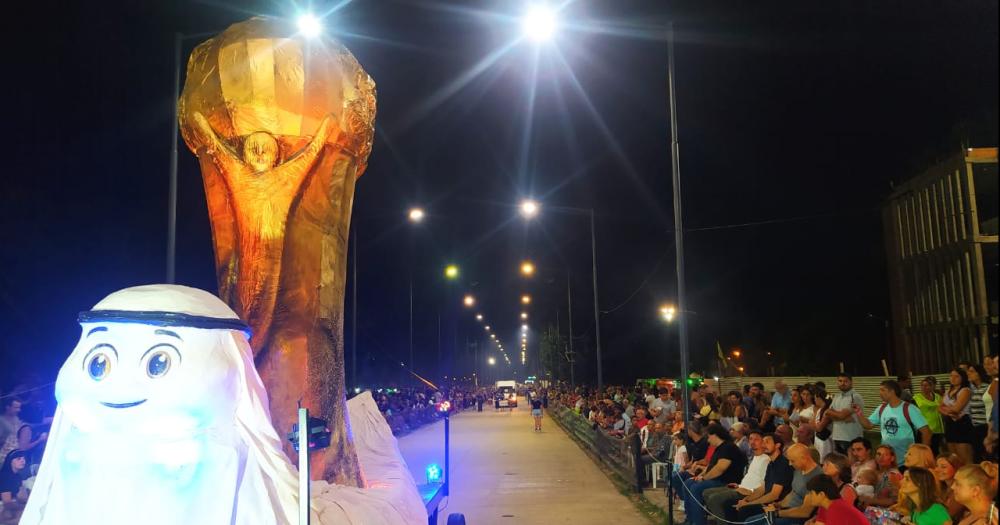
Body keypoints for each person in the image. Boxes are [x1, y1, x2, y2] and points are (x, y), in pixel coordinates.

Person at [680, 423, 747, 525]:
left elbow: (720, 469)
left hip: (726, 481)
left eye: (708, 437)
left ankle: (698, 522)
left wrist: (703, 478)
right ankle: (690, 519)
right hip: (717, 479)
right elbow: (710, 467)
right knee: (688, 484)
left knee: (695, 488)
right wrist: (700, 476)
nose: (708, 440)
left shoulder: (729, 447)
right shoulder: (719, 448)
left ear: (715, 435)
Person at [855, 379, 931, 465]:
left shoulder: (909, 409)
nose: (880, 393)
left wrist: (922, 454)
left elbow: (926, 432)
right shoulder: (882, 408)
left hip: (906, 460)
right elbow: (868, 425)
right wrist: (859, 413)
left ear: (892, 391)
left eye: (883, 390)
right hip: (886, 461)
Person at [747, 443, 822, 525]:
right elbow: (793, 493)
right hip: (786, 511)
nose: (790, 464)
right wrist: (778, 505)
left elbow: (805, 512)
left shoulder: (817, 477)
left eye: (792, 461)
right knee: (749, 520)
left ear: (804, 458)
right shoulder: (798, 469)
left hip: (798, 518)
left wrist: (777, 513)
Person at [703, 429, 768, 522]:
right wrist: (739, 486)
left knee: (714, 498)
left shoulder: (766, 460)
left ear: (763, 442)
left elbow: (764, 483)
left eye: (756, 439)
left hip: (748, 492)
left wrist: (751, 491)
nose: (753, 442)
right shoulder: (754, 457)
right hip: (740, 487)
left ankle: (724, 523)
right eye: (751, 439)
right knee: (706, 493)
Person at [735, 433, 794, 520]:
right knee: (734, 504)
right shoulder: (771, 463)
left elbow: (774, 495)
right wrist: (746, 500)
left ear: (777, 445)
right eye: (763, 442)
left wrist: (749, 504)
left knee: (744, 510)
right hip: (767, 502)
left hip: (775, 505)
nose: (763, 445)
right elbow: (763, 488)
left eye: (767, 442)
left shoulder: (782, 464)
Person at [940, 368, 976, 465]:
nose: (953, 378)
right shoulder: (948, 391)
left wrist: (948, 409)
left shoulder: (965, 390)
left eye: (956, 376)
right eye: (951, 376)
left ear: (962, 378)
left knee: (964, 457)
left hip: (962, 422)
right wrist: (950, 411)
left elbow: (956, 409)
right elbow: (939, 408)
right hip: (950, 422)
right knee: (953, 457)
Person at [802, 474, 869, 524]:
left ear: (821, 494)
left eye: (811, 493)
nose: (808, 496)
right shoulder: (825, 506)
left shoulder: (836, 509)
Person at [827, 374, 865, 454]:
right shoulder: (837, 396)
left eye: (845, 381)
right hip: (836, 436)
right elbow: (827, 414)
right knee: (840, 464)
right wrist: (842, 418)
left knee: (852, 464)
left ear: (851, 382)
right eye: (840, 381)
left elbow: (841, 415)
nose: (842, 383)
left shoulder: (855, 397)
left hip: (851, 438)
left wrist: (837, 415)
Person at [858, 445, 903, 509]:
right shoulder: (875, 472)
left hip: (885, 513)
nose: (881, 457)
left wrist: (872, 500)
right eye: (878, 454)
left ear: (892, 458)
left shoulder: (893, 474)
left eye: (886, 455)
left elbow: (896, 500)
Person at [915, 377, 947, 454]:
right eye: (922, 385)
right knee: (925, 450)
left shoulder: (937, 396)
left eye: (926, 385)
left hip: (937, 428)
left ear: (932, 386)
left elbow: (943, 408)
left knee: (935, 450)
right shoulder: (916, 398)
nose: (924, 387)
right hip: (924, 428)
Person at [965, 365, 990, 461]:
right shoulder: (973, 390)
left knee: (986, 457)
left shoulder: (986, 388)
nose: (968, 373)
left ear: (979, 374)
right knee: (977, 456)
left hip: (984, 427)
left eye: (971, 371)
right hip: (974, 427)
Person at [936, 454, 968, 522]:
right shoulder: (942, 488)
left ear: (956, 468)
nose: (937, 470)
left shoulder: (960, 490)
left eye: (943, 467)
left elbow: (947, 516)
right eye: (937, 466)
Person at [0, 450, 30, 522]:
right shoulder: (5, 477)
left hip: (10, 504)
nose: (23, 461)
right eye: (19, 459)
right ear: (11, 461)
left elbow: (21, 497)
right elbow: (7, 502)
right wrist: (25, 508)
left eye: (23, 458)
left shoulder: (17, 476)